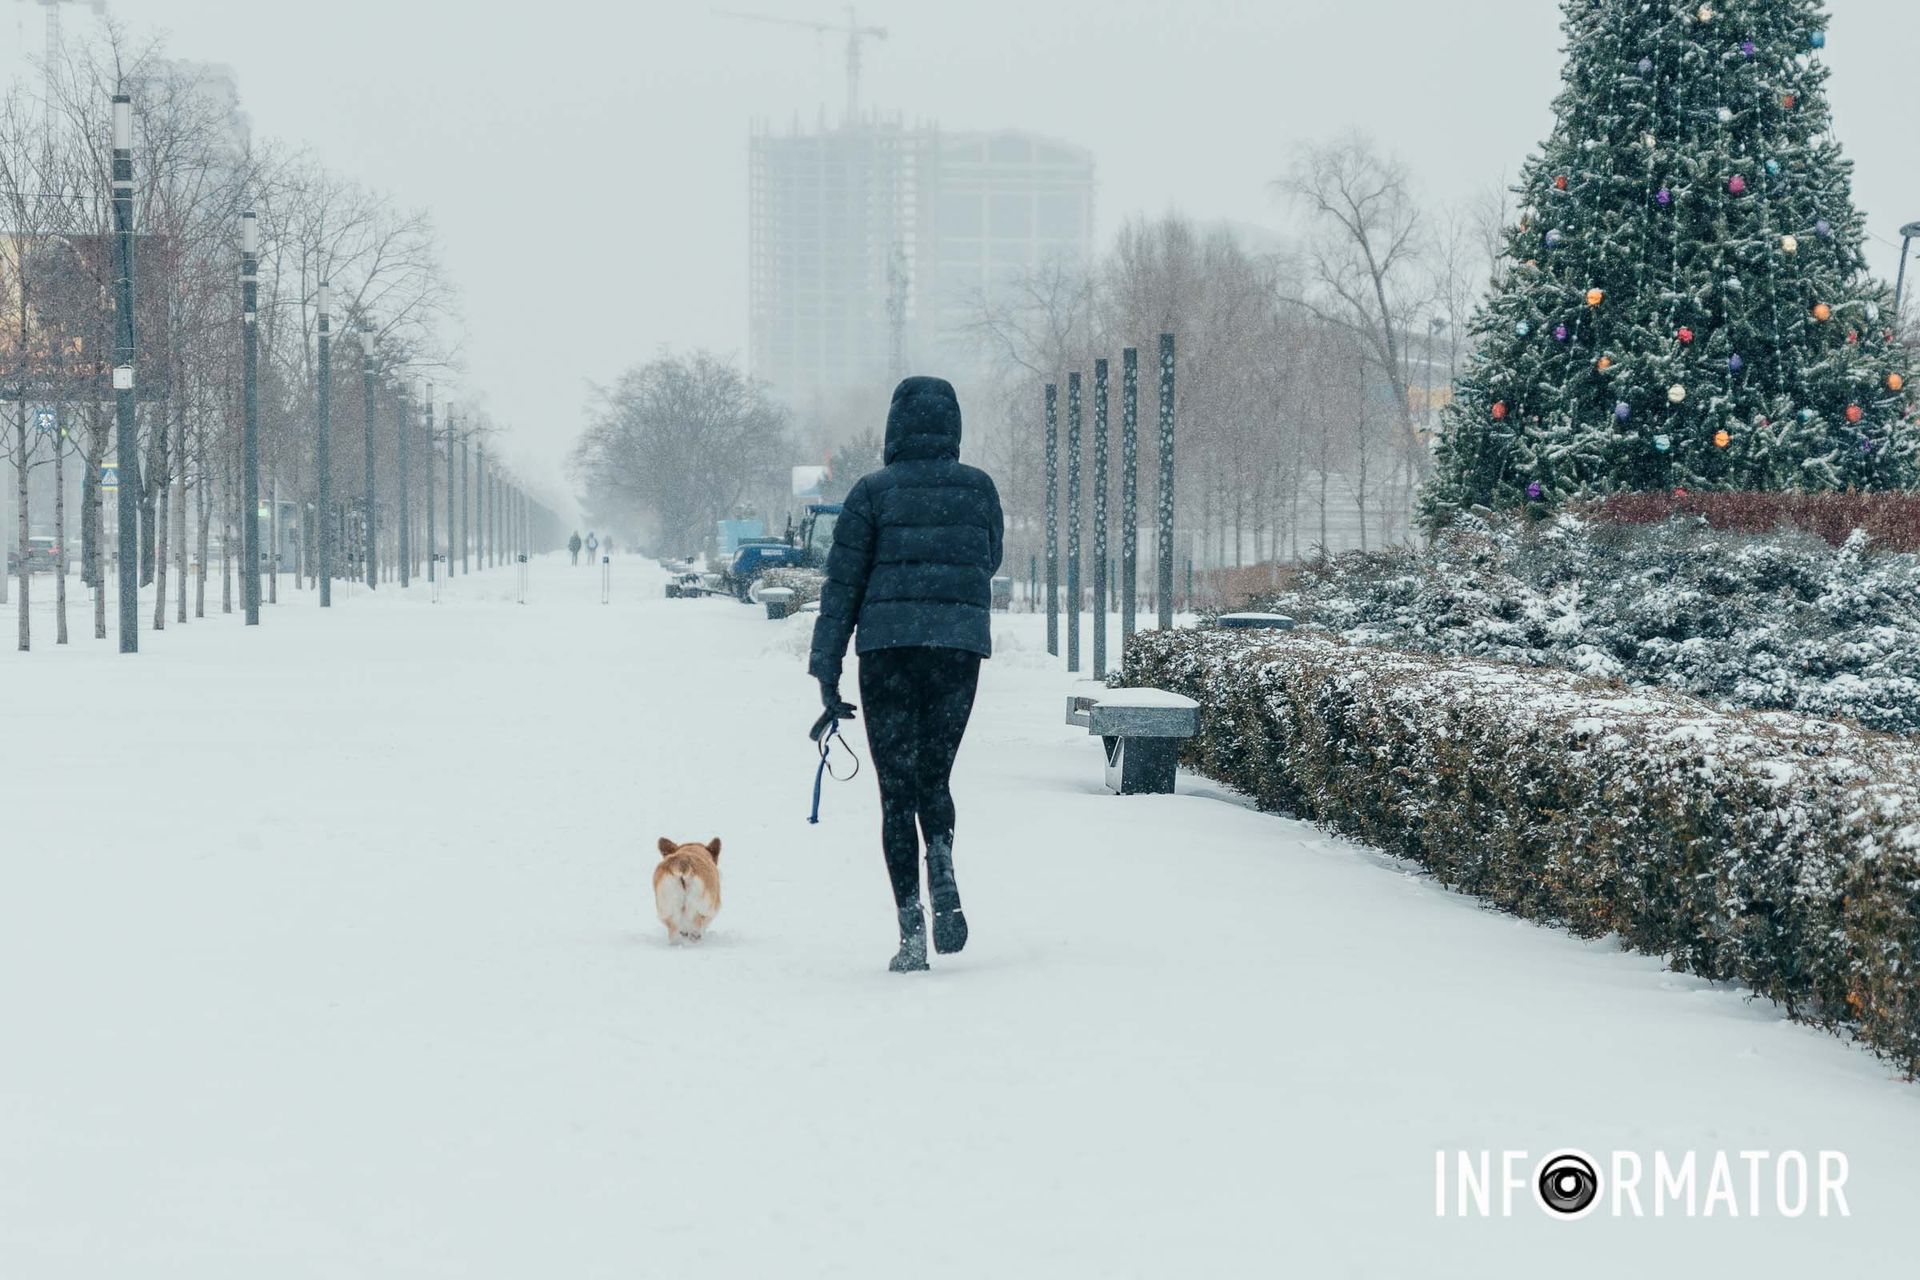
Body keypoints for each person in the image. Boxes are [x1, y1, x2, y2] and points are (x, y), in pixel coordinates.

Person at [809, 377, 1004, 973]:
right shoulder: (978, 490)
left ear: (896, 426)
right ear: (953, 425)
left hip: (888, 651)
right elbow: (986, 557)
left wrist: (826, 669)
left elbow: (842, 587)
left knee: (896, 795)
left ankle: (911, 933)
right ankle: (941, 861)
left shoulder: (871, 493)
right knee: (934, 779)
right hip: (956, 650)